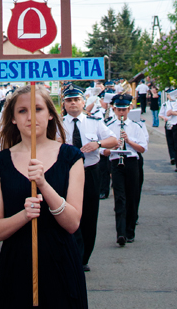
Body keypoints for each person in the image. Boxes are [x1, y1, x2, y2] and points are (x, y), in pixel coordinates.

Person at [0, 84, 87, 309]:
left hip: (61, 265)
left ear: (51, 114)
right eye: (22, 111)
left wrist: (43, 184)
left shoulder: (71, 157)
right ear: (13, 119)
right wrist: (24, 216)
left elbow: (72, 223)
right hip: (16, 267)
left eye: (38, 109)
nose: (31, 117)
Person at [62, 85, 117, 271]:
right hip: (67, 174)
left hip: (90, 172)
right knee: (68, 213)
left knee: (89, 215)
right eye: (69, 100)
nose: (73, 103)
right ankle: (72, 255)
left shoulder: (94, 122)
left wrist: (98, 144)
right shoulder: (57, 124)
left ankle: (84, 257)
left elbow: (113, 140)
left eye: (76, 100)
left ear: (83, 102)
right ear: (64, 104)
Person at [104, 93, 148, 246]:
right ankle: (121, 233)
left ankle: (130, 231)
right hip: (116, 162)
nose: (121, 112)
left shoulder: (136, 126)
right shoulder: (108, 126)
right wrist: (113, 146)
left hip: (131, 162)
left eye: (124, 109)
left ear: (129, 109)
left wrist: (128, 141)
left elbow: (142, 149)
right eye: (118, 110)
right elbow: (103, 151)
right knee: (120, 198)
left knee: (132, 197)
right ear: (114, 109)